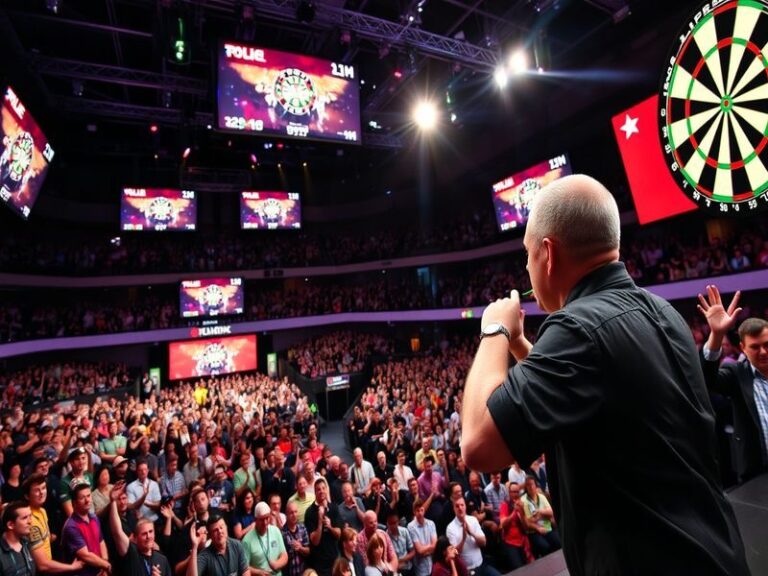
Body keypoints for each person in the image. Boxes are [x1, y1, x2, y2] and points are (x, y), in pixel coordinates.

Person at [461, 174, 749, 575]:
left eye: (526, 255)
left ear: (548, 252)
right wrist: (521, 347)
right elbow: (590, 391)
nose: (527, 268)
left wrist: (494, 329)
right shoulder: (665, 312)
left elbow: (478, 445)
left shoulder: (575, 329)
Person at [698, 286, 768, 482]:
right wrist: (717, 335)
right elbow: (706, 379)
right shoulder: (736, 374)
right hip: (757, 473)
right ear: (743, 348)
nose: (762, 352)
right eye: (755, 347)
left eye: (767, 345)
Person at [108, 481, 173, 576]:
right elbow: (117, 532)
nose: (148, 536)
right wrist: (113, 501)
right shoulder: (131, 553)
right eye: (144, 534)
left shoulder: (162, 559)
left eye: (150, 532)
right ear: (136, 538)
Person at [23, 473, 85, 574]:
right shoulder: (30, 521)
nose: (41, 493)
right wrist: (72, 567)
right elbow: (42, 565)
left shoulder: (42, 510)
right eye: (36, 490)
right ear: (27, 496)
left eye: (43, 488)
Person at [61, 483, 111, 576]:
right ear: (74, 503)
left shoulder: (94, 518)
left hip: (99, 571)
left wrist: (104, 566)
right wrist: (106, 565)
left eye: (88, 496)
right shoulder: (71, 526)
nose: (87, 500)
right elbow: (85, 555)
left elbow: (101, 541)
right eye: (82, 498)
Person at [444, 498, 498, 576]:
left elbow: (483, 542)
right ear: (454, 509)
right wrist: (463, 538)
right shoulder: (450, 528)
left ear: (465, 506)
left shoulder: (473, 520)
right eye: (457, 506)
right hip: (468, 571)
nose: (460, 508)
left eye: (462, 505)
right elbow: (454, 553)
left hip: (482, 564)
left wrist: (472, 533)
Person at [304, 478, 341, 576]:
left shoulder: (334, 508)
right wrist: (320, 522)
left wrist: (330, 527)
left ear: (326, 490)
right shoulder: (309, 512)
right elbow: (315, 541)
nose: (321, 491)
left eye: (323, 488)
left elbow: (338, 534)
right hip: (319, 562)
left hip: (334, 558)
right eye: (318, 489)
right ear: (315, 492)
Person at [242, 502, 288, 576]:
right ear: (255, 519)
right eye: (262, 519)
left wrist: (277, 564)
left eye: (267, 518)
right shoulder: (247, 540)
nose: (265, 522)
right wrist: (258, 572)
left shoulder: (276, 531)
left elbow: (284, 556)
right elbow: (244, 567)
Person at [1, 501, 37, 576]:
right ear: (10, 525)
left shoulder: (26, 542)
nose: (30, 521)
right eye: (24, 518)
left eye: (30, 516)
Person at [407, 500, 436, 576]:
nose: (420, 513)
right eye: (417, 511)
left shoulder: (431, 523)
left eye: (421, 510)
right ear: (414, 512)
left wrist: (425, 550)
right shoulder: (411, 526)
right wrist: (431, 547)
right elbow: (419, 551)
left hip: (431, 565)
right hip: (420, 568)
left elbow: (435, 546)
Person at [281, 501, 310, 576]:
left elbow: (308, 551)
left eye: (295, 512)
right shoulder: (282, 533)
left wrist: (300, 548)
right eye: (291, 513)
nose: (294, 515)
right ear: (286, 514)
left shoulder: (302, 528)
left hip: (303, 572)